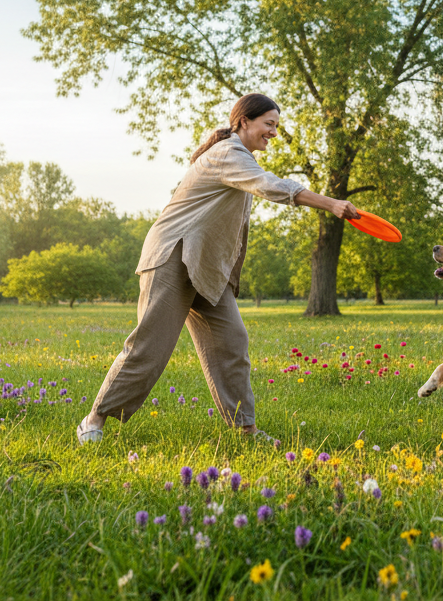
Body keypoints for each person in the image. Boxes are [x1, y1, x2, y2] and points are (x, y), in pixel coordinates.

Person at [76, 93, 358, 444]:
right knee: (151, 345)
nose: (273, 132)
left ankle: (246, 430)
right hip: (173, 257)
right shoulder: (228, 153)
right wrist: (329, 203)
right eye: (268, 124)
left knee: (231, 341)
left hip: (207, 267)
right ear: (243, 122)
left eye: (276, 126)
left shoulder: (241, 160)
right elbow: (271, 186)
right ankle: (94, 419)